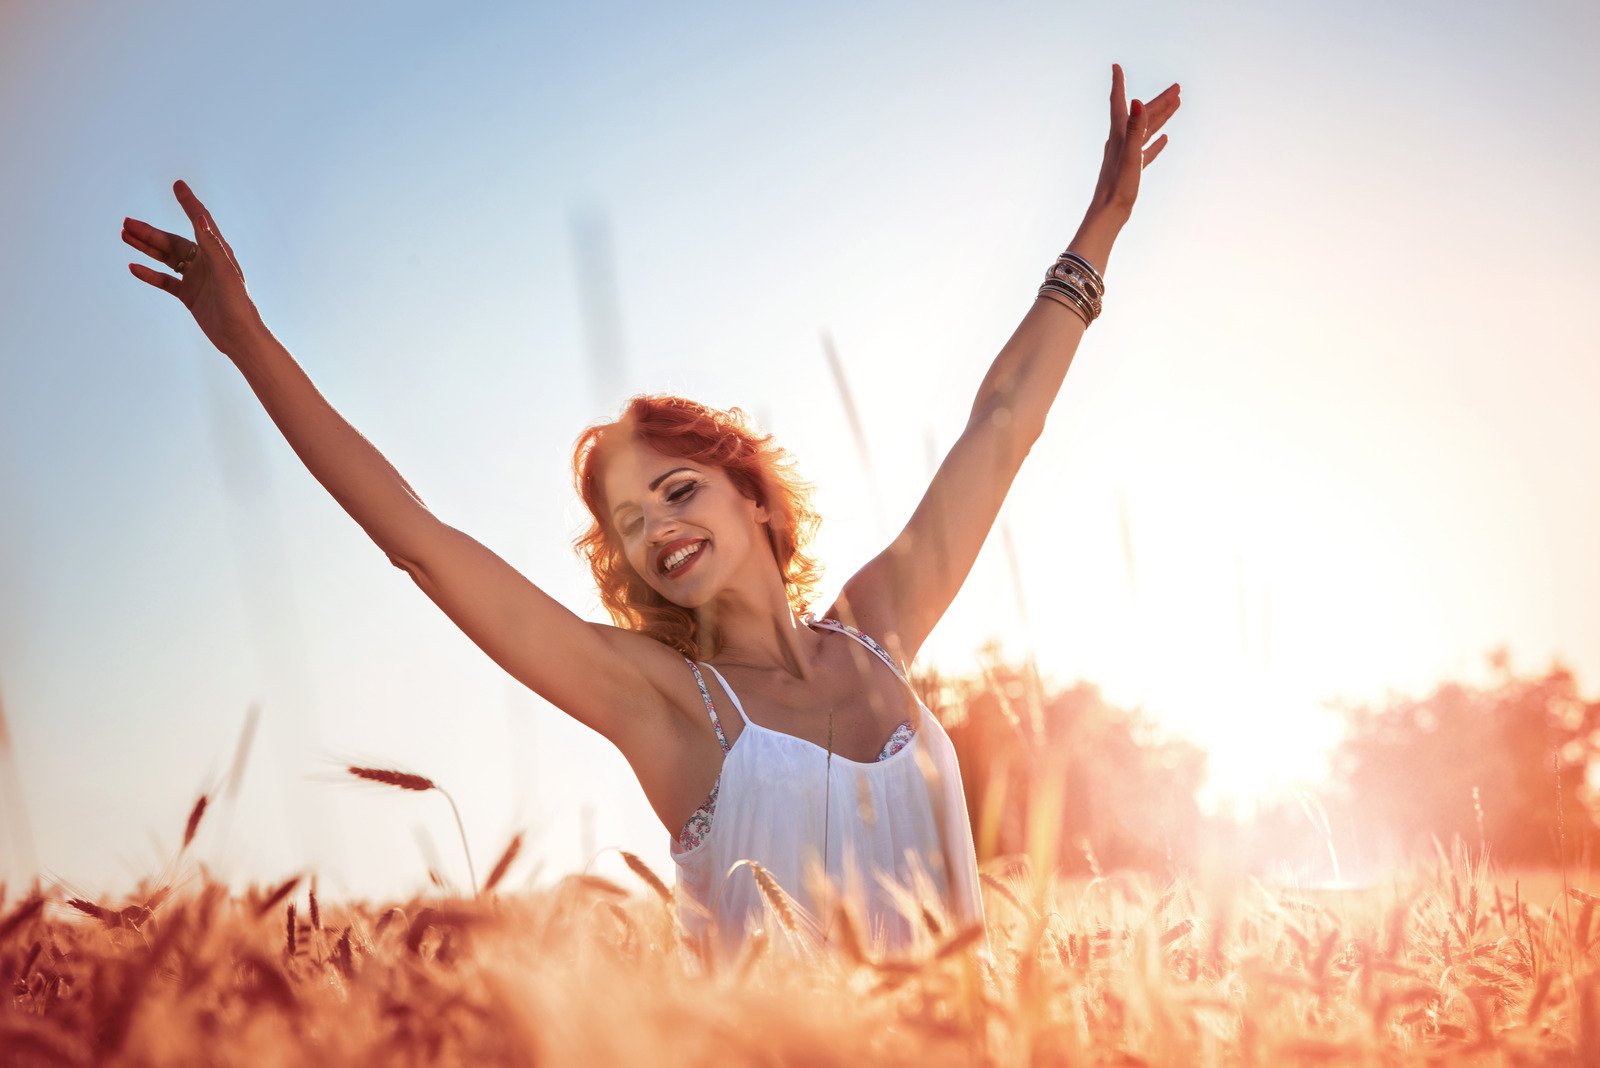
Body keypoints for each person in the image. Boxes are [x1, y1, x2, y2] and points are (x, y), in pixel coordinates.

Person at [121, 63, 1180, 961]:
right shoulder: (664, 703)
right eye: (628, 523)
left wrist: (1104, 224)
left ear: (756, 497)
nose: (656, 528)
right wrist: (247, 342)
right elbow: (423, 548)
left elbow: (999, 426)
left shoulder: (881, 632)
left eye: (677, 490)